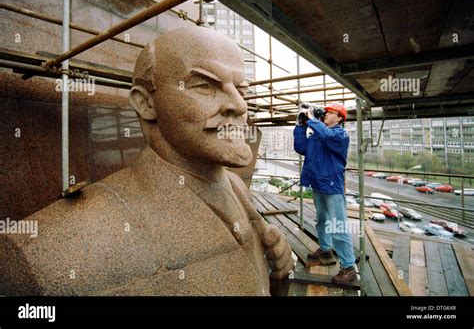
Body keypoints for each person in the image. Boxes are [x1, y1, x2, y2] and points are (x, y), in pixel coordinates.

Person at [0, 26, 293, 295]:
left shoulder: (234, 185)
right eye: (205, 85)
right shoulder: (50, 251)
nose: (240, 105)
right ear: (146, 103)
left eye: (241, 90)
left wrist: (276, 270)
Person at [293, 103, 356, 285]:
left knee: (337, 225)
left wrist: (313, 119)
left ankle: (348, 267)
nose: (327, 115)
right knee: (321, 219)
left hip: (332, 185)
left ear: (340, 118)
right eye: (326, 113)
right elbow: (301, 148)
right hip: (318, 183)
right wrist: (300, 126)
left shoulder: (340, 135)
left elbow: (327, 134)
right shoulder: (318, 135)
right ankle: (326, 248)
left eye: (331, 113)